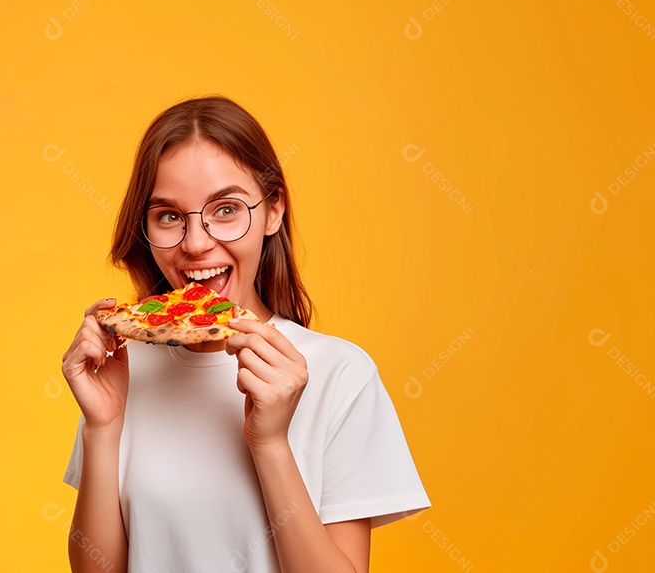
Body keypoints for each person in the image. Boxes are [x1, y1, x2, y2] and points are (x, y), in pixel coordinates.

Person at [60, 95, 430, 573]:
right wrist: (102, 428)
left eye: (227, 209)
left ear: (273, 210)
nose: (196, 243)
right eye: (169, 216)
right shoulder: (122, 371)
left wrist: (270, 442)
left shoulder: (341, 374)